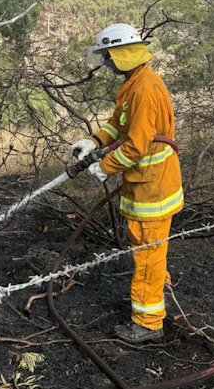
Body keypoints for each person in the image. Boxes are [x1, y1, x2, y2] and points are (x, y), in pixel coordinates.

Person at [71, 23, 183, 343]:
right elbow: (118, 124)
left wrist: (105, 167)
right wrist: (94, 141)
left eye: (108, 57)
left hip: (153, 188)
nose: (105, 63)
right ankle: (158, 290)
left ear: (121, 54)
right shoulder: (133, 84)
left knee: (148, 255)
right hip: (145, 184)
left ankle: (148, 324)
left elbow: (135, 146)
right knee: (149, 252)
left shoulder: (145, 89)